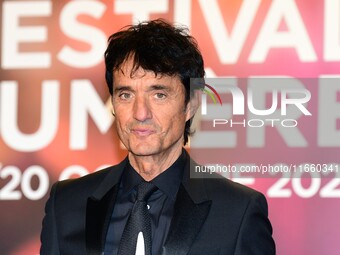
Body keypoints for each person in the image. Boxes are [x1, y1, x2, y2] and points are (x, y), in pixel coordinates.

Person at [40, 19, 275, 255]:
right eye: (125, 95)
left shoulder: (237, 212)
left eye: (159, 94)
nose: (140, 113)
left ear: (191, 104)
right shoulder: (66, 204)